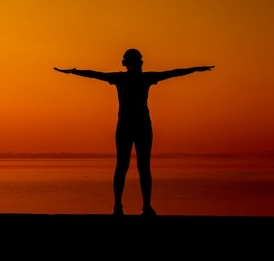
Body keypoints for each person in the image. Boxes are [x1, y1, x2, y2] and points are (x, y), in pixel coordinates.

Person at [54, 48, 214, 217]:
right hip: (135, 126)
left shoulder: (127, 78)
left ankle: (134, 206)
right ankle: (128, 206)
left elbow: (172, 73)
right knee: (133, 167)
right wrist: (74, 71)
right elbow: (95, 74)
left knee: (133, 167)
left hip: (133, 126)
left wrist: (195, 69)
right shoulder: (135, 78)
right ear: (136, 63)